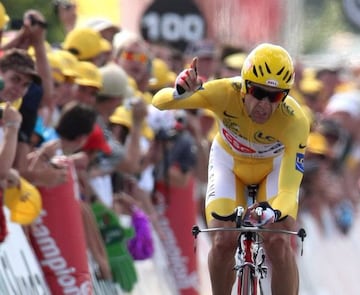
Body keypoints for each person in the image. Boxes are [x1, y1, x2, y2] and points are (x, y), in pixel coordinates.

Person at [152, 43, 310, 295]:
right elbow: (159, 102)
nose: (265, 105)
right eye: (258, 93)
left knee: (278, 239)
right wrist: (181, 91)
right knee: (224, 239)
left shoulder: (295, 120)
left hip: (272, 170)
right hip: (229, 164)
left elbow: (289, 188)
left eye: (276, 96)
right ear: (245, 86)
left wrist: (276, 211)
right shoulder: (224, 91)